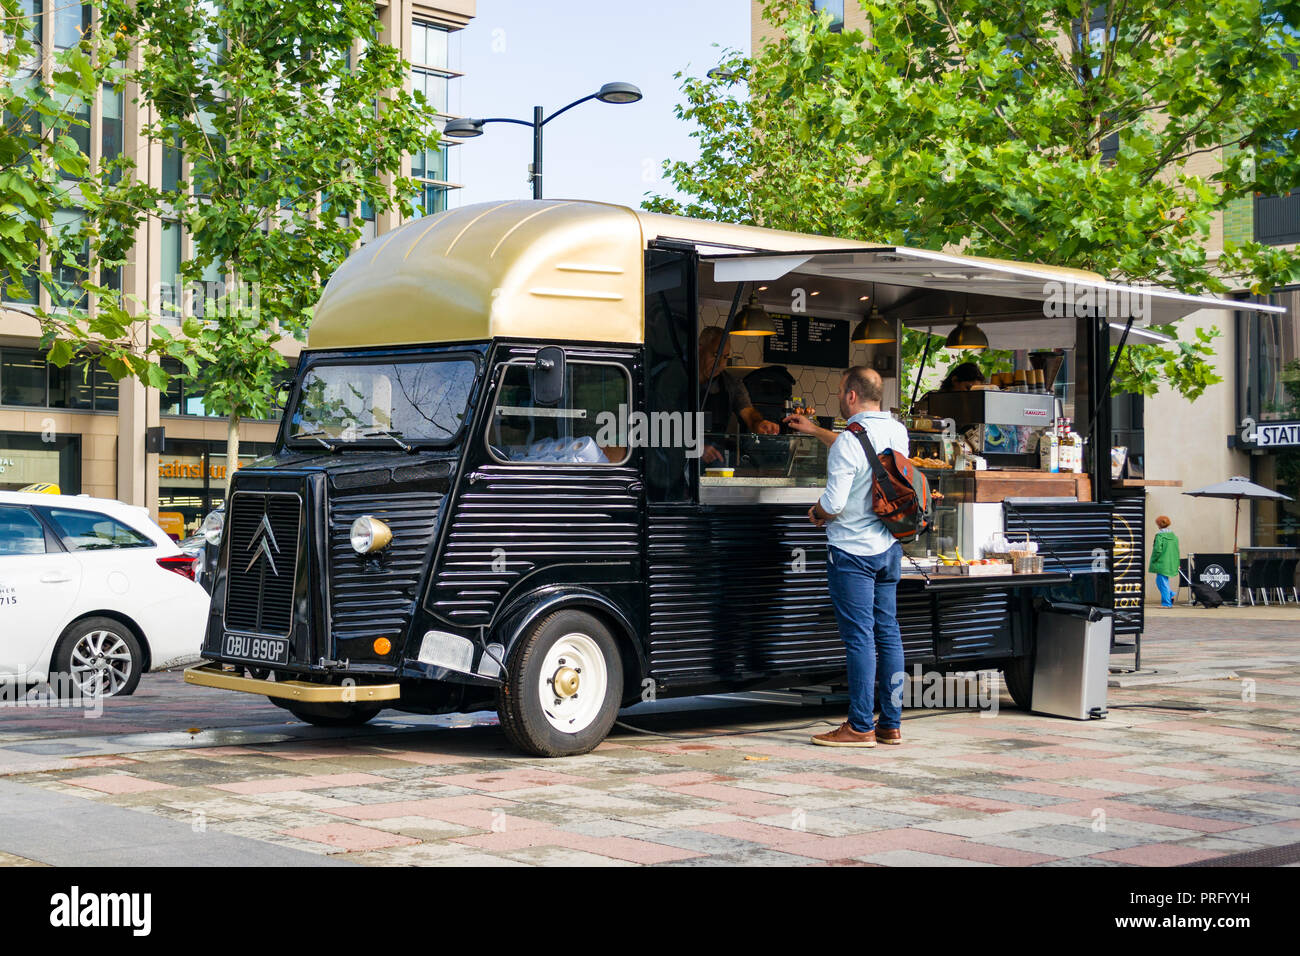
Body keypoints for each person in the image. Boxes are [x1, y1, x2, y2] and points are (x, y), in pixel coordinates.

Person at [787, 367, 908, 748]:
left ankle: (859, 726)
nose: (840, 397)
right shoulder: (897, 431)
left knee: (859, 638)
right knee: (888, 634)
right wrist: (816, 431)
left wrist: (817, 513)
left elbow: (835, 504)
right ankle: (890, 724)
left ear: (851, 396)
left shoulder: (847, 443)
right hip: (889, 546)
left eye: (841, 391)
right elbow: (862, 450)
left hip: (852, 553)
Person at [697, 326, 779, 465]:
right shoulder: (678, 380)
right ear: (699, 349)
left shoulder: (731, 384)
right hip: (680, 463)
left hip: (716, 462)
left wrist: (759, 423)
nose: (721, 364)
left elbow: (748, 413)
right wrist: (696, 448)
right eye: (715, 355)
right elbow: (663, 426)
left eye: (725, 357)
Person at [1149, 515, 1180, 607]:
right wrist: (1177, 563)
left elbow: (1157, 550)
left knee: (1162, 582)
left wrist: (1154, 560)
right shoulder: (1174, 536)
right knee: (1161, 581)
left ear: (1158, 524)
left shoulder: (1160, 536)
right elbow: (1177, 550)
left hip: (1161, 562)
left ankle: (1166, 603)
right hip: (1171, 562)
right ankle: (1170, 594)